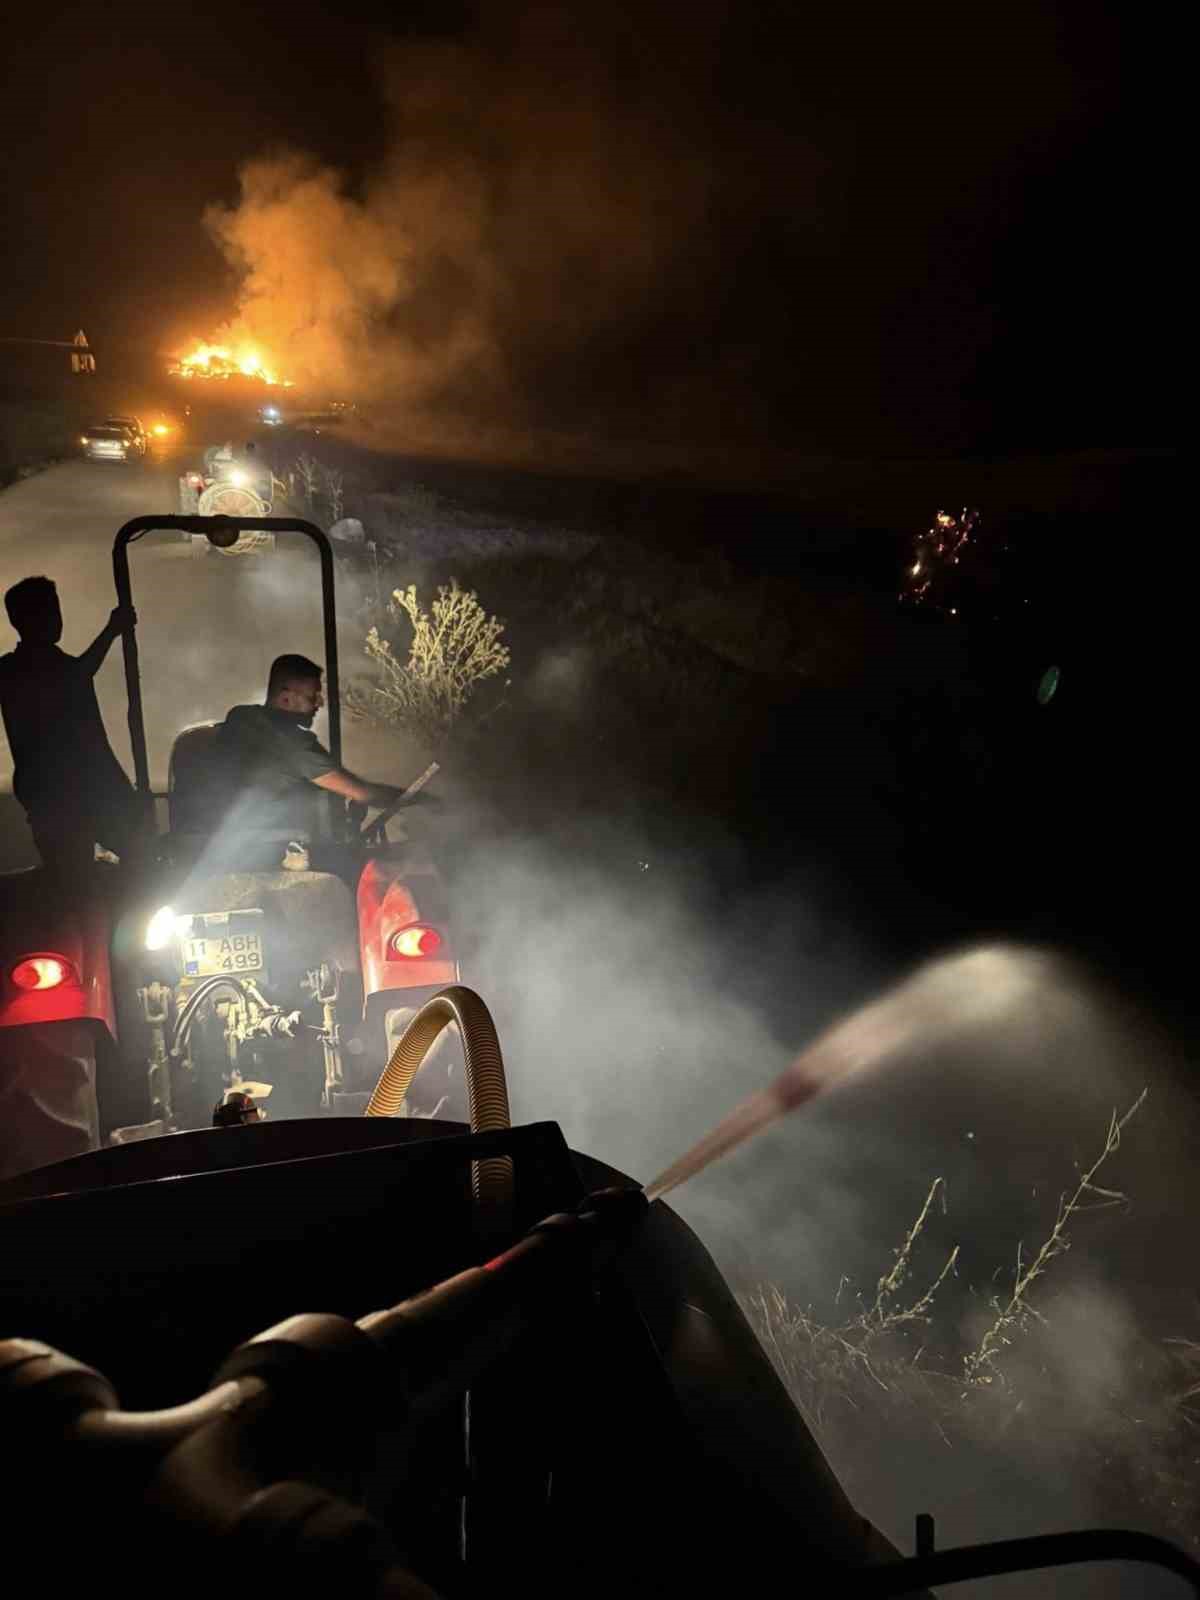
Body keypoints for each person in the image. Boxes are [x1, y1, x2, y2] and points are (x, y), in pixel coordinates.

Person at [210, 653, 416, 871]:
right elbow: (363, 793)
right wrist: (421, 800)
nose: (320, 702)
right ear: (286, 697)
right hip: (270, 854)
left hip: (225, 844)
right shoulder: (293, 744)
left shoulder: (241, 716)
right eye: (312, 696)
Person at [0, 576, 145, 880]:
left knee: (124, 861)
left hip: (77, 791)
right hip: (62, 796)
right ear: (22, 620)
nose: (56, 620)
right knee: (81, 875)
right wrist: (112, 630)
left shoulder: (22, 670)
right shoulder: (14, 671)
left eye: (56, 611)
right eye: (47, 612)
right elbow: (75, 676)